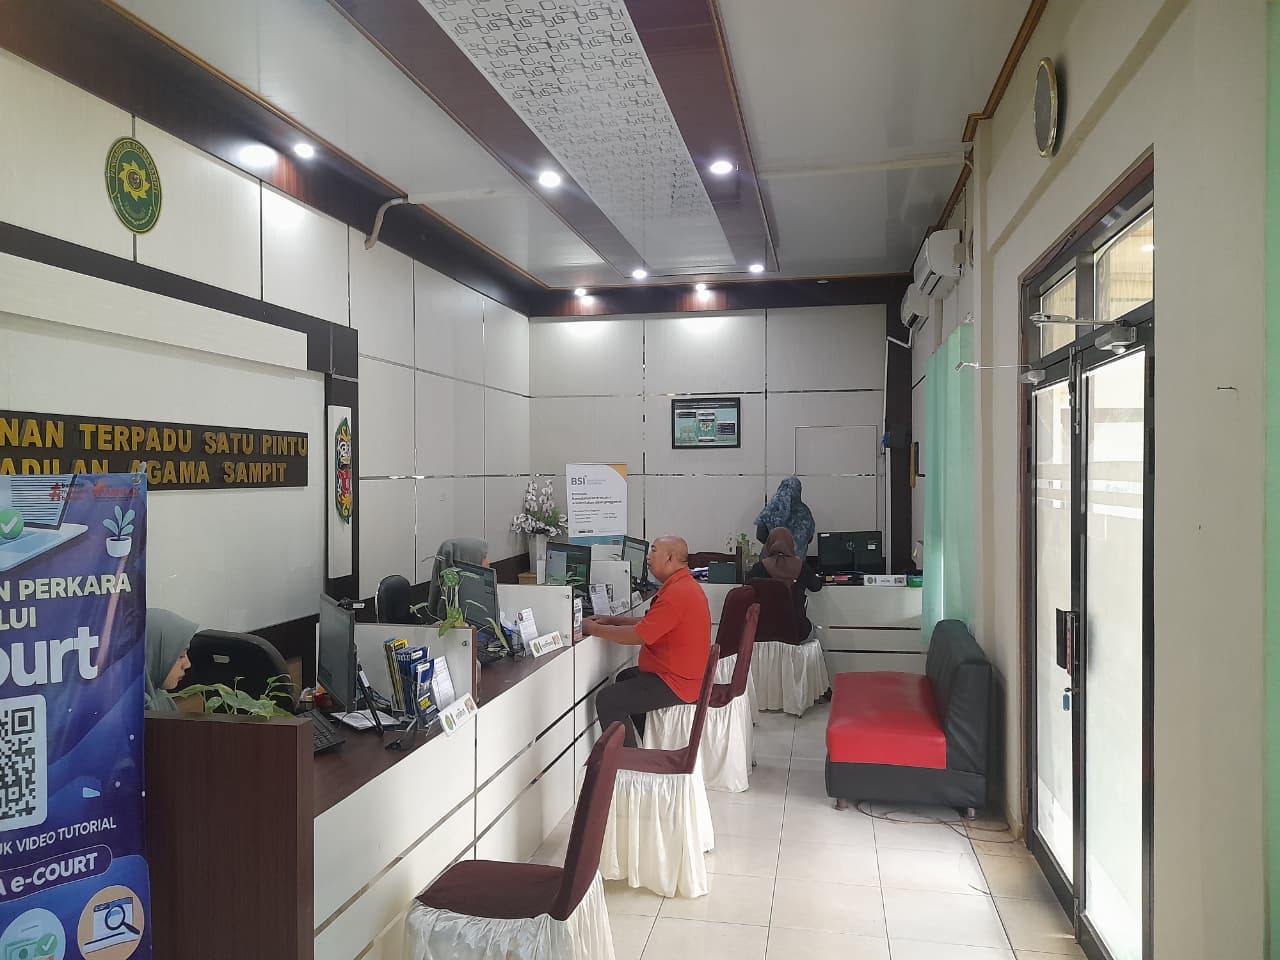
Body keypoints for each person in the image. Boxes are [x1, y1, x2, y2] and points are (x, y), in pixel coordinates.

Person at [586, 536, 710, 748]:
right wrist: (612, 620)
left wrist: (593, 629)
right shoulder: (681, 585)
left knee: (608, 699)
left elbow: (638, 636)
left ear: (669, 558)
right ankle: (647, 744)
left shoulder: (677, 593)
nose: (648, 557)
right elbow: (652, 622)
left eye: (653, 551)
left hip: (677, 682)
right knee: (625, 677)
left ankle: (628, 760)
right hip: (677, 674)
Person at [747, 527, 824, 641]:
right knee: (815, 633)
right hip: (797, 630)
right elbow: (816, 586)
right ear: (791, 544)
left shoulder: (759, 568)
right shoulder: (801, 567)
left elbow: (747, 588)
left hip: (764, 631)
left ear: (769, 544)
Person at [144, 608, 199, 711]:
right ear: (150, 655)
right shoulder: (131, 712)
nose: (187, 664)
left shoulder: (159, 696)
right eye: (181, 655)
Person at [425, 537, 489, 620]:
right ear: (466, 559)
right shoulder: (455, 602)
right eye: (484, 557)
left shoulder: (447, 592)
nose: (488, 562)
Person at [755, 476, 815, 559]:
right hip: (796, 563)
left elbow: (760, 535)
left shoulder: (771, 509)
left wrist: (776, 545)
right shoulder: (805, 512)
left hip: (771, 562)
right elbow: (809, 538)